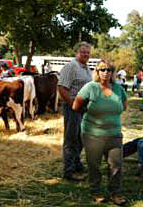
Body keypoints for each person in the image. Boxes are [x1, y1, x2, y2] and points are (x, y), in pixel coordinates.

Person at [73, 60, 127, 205]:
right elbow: (76, 106)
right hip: (92, 134)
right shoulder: (90, 87)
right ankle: (96, 191)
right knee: (94, 165)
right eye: (102, 69)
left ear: (112, 72)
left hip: (114, 133)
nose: (106, 72)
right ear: (97, 72)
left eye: (109, 70)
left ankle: (115, 193)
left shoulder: (119, 89)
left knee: (116, 164)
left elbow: (124, 106)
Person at [58, 42, 93, 181]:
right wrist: (73, 105)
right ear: (76, 53)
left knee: (81, 138)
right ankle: (68, 171)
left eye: (87, 53)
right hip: (72, 107)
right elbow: (61, 88)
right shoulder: (71, 67)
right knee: (71, 139)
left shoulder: (86, 68)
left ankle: (76, 163)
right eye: (83, 52)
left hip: (83, 108)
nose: (85, 55)